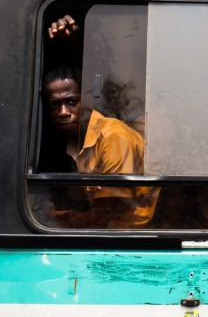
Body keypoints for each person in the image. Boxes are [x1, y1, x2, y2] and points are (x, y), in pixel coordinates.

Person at [42, 66, 158, 228]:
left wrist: (45, 217)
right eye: (55, 105)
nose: (63, 112)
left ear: (89, 100)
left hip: (128, 237)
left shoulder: (113, 138)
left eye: (71, 101)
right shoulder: (76, 143)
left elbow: (101, 215)